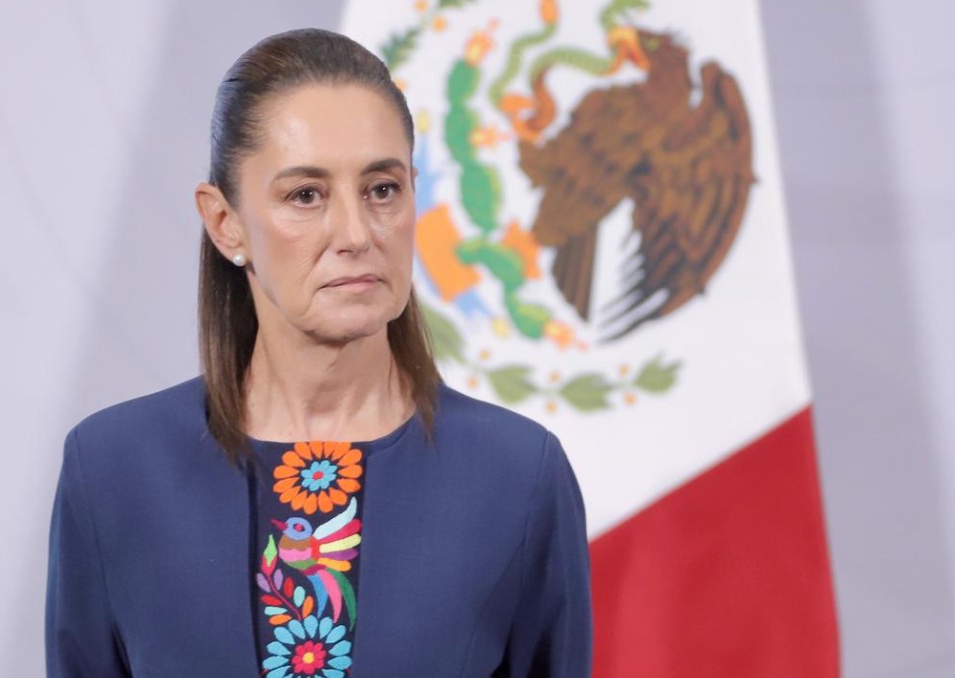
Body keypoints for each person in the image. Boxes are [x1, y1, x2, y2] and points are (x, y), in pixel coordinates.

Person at [45, 28, 592, 677]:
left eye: (381, 189)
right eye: (306, 195)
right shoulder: (111, 471)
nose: (356, 233)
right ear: (226, 224)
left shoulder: (519, 477)